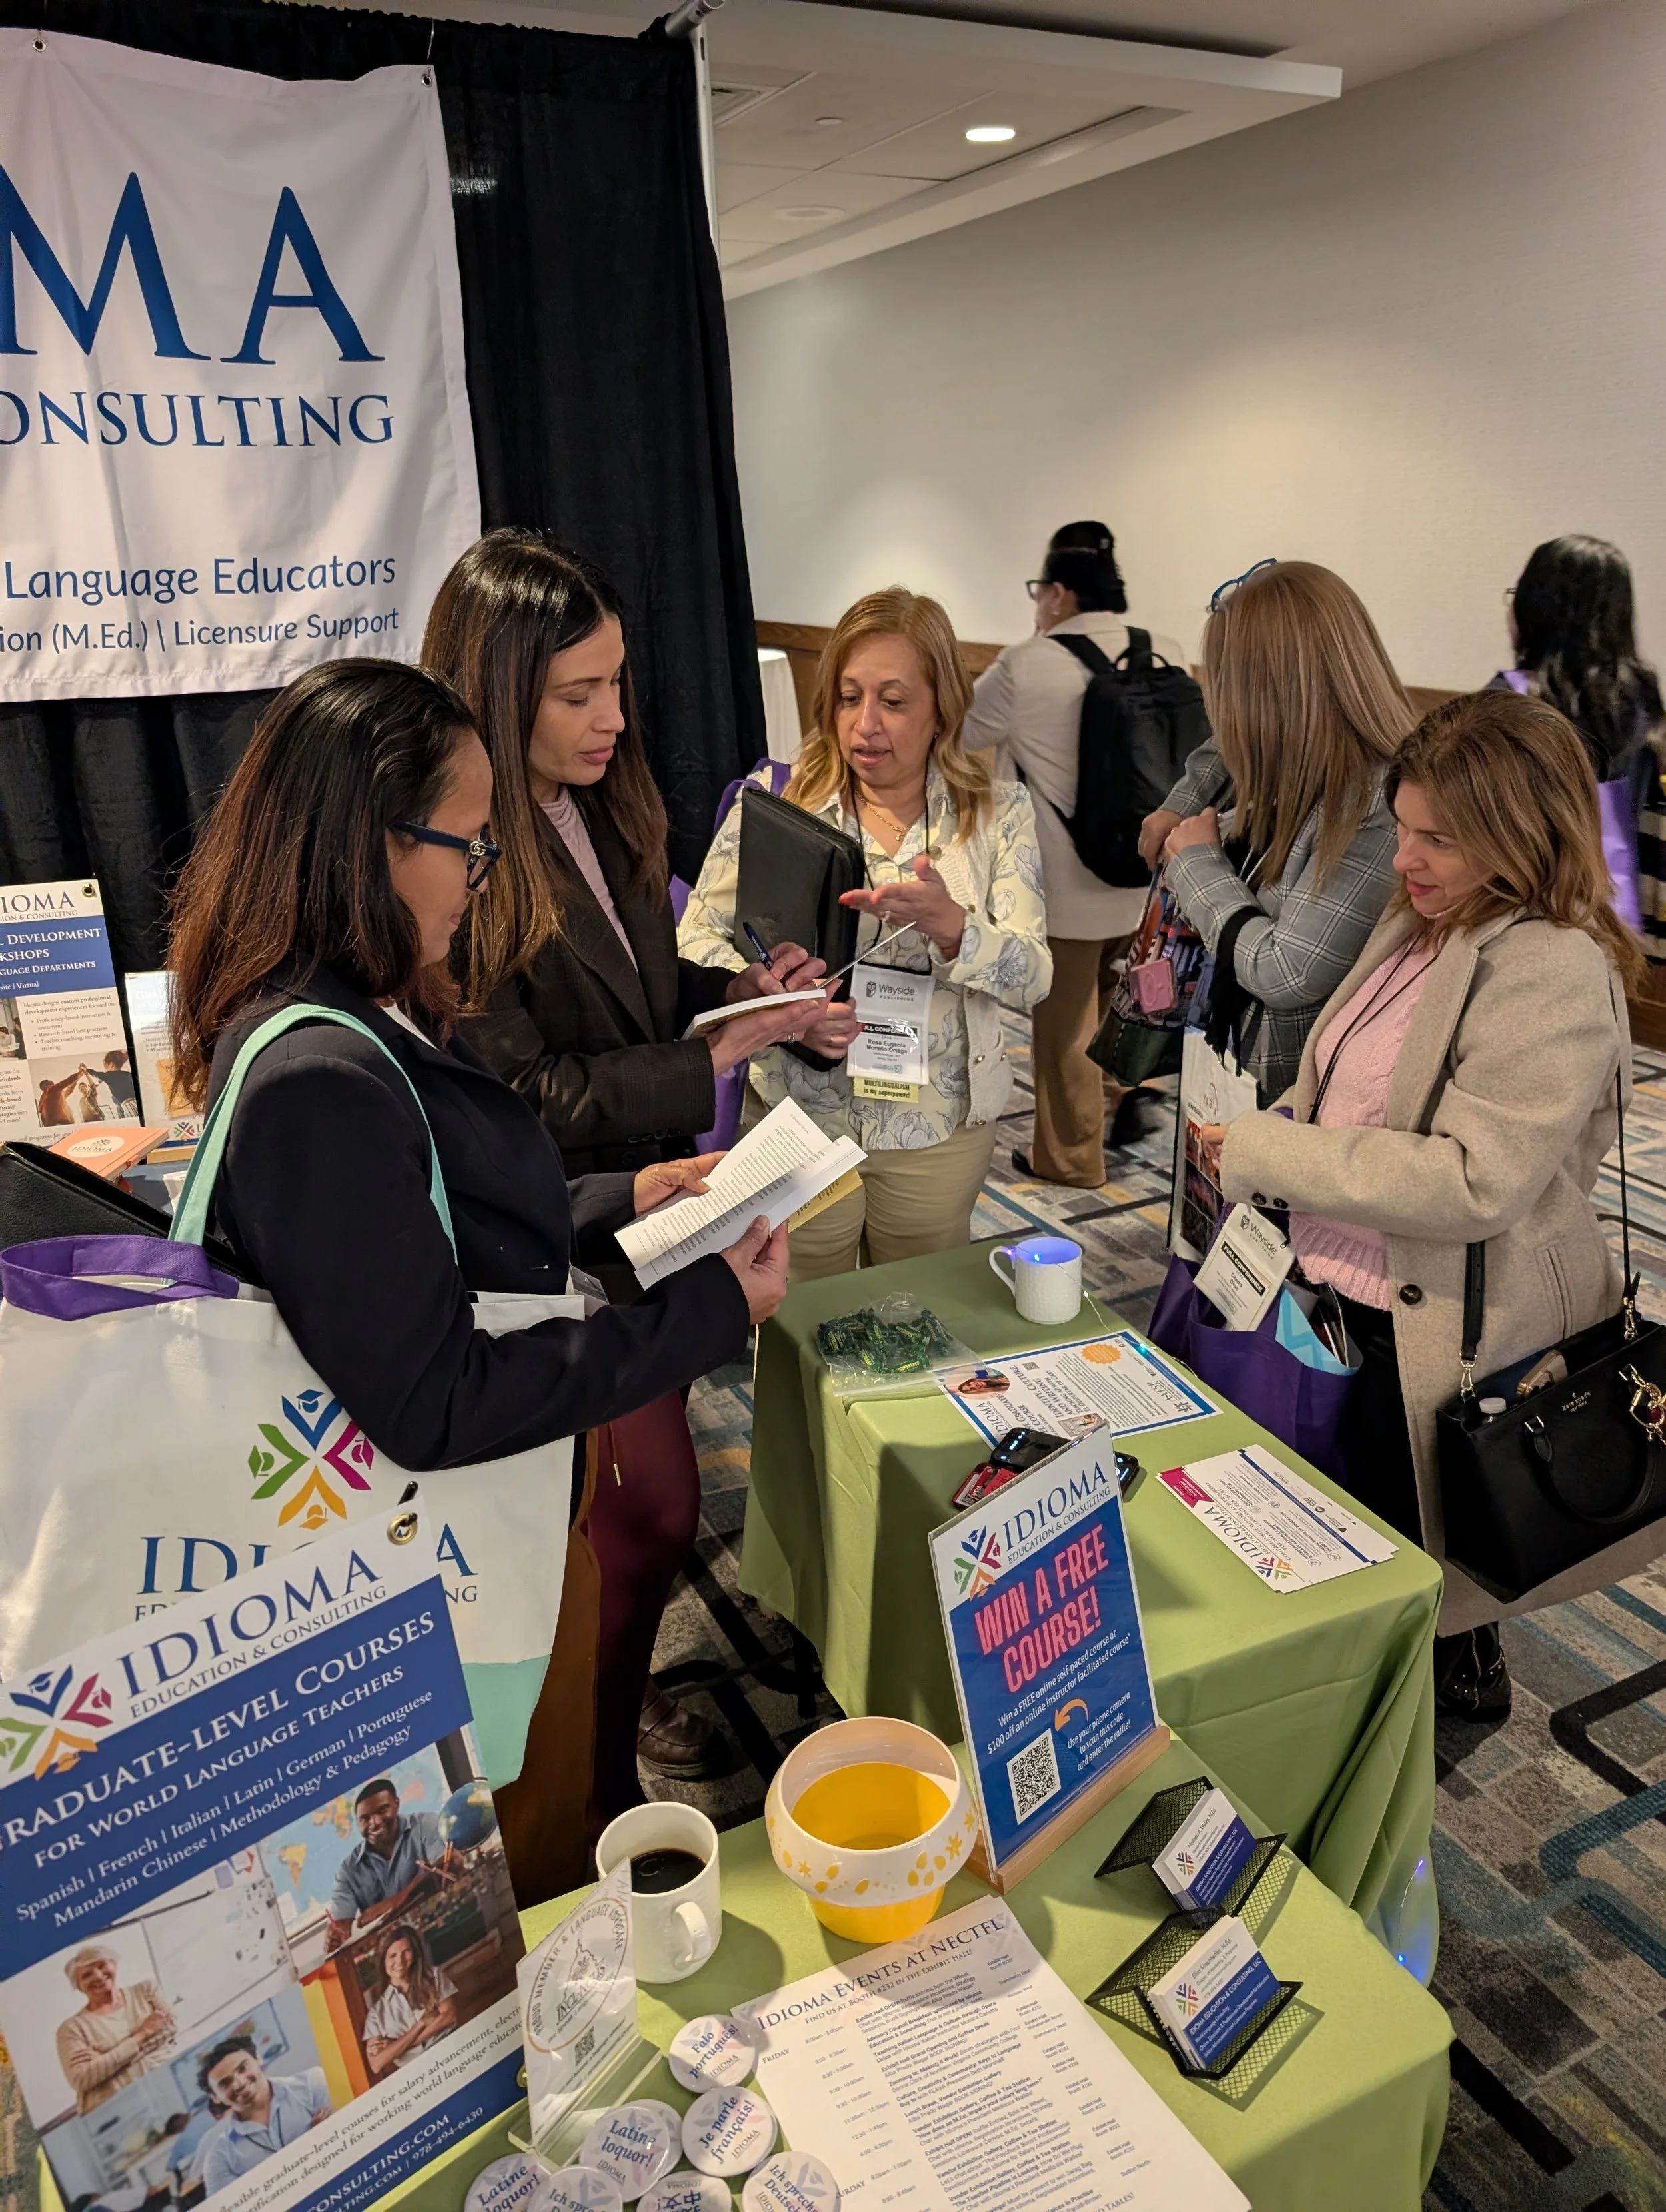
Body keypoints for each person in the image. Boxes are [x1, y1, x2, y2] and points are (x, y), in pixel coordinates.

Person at [165, 660, 790, 1900]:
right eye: (468, 845)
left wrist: (624, 1200)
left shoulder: (337, 1013)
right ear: (371, 846)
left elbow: (425, 1236)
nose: (480, 877)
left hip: (433, 1538)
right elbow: (437, 1398)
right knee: (531, 1851)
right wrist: (706, 1311)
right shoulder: (319, 1082)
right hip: (431, 1556)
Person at [423, 532, 820, 1792]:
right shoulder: (465, 861)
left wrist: (734, 992)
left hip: (649, 1209)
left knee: (641, 1507)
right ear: (498, 693)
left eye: (619, 685)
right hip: (559, 1229)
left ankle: (606, 1716)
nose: (612, 718)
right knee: (635, 1513)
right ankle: (578, 1778)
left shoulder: (603, 802)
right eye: (577, 695)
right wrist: (711, 1061)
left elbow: (651, 984)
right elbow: (522, 1099)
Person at [1200, 690, 1644, 1717]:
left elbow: (1472, 1180)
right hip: (1349, 1285)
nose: (1404, 859)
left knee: (1417, 1552)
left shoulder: (1552, 967)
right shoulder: (1423, 921)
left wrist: (1273, 1150)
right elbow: (1348, 1075)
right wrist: (1273, 1128)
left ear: (1521, 834)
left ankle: (1424, 1710)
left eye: (1439, 837)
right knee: (1347, 1540)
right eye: (1402, 826)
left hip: (1439, 1322)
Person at [680, 587, 1052, 1279]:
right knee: (795, 1315)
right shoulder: (779, 798)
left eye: (894, 700)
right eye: (850, 697)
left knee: (916, 1320)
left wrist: (955, 931)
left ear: (941, 704)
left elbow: (1034, 974)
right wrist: (782, 1009)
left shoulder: (996, 814)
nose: (865, 725)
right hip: (796, 1113)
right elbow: (696, 943)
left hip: (933, 1129)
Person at [965, 521, 1191, 1184]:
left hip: (1063, 889)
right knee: (1126, 1002)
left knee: (1064, 1028)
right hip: (1145, 877)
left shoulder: (1024, 664)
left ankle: (1069, 1158)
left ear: (1058, 593)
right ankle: (1116, 1104)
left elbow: (961, 730)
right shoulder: (1166, 650)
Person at [1139, 560, 1410, 1099]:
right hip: (1232, 1060)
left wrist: (1197, 864)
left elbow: (1287, 971)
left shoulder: (1380, 802)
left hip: (1300, 1105)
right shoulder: (1303, 768)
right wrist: (1185, 803)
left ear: (1266, 700)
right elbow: (1225, 750)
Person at [1490, 534, 1665, 947]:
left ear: (1534, 609)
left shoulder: (1508, 700)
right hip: (1616, 911)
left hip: (1521, 904)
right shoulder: (1643, 699)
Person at [325, 1779, 453, 1951]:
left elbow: (448, 1865)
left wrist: (392, 1904)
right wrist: (335, 1938)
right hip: (394, 1954)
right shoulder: (348, 1871)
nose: (375, 1822)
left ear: (396, 1804)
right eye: (365, 1819)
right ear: (357, 1823)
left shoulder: (425, 1825)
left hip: (442, 1927)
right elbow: (341, 1926)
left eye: (382, 1810)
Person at [194, 2038, 331, 2191]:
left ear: (258, 2058)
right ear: (215, 2097)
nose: (239, 2083)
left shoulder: (312, 2085)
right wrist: (312, 2141)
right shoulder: (219, 2158)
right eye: (225, 2084)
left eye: (242, 2069)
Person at [55, 1946, 175, 2114]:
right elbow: (80, 2079)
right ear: (79, 1986)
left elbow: (171, 2028)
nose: (98, 1976)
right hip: (118, 2112)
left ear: (114, 1965)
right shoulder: (72, 2029)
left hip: (167, 2088)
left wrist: (105, 2058)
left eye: (102, 1966)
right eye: (86, 1975)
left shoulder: (146, 1990)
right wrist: (142, 2034)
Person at [361, 1924, 458, 2075]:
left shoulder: (434, 1976)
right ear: (383, 1961)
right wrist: (421, 2024)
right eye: (392, 1956)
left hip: (452, 2051)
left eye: (406, 1952)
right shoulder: (376, 2014)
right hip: (416, 2074)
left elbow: (450, 2016)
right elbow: (376, 2064)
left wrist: (396, 2046)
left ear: (414, 1954)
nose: (399, 1961)